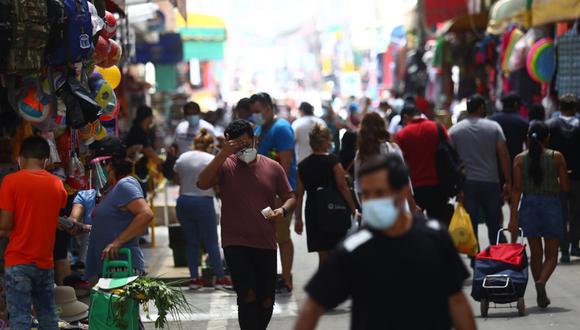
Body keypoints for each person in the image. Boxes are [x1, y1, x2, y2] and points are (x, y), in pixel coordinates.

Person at [294, 154, 475, 330]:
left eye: (380, 193)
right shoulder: (354, 249)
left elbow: (457, 301)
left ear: (403, 191)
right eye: (366, 194)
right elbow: (313, 305)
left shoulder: (435, 237)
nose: (372, 201)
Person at [197, 119, 296, 330]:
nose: (244, 150)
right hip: (235, 242)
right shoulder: (226, 164)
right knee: (247, 295)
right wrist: (223, 153)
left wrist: (283, 210)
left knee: (266, 299)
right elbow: (202, 183)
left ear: (255, 140)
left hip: (265, 242)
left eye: (246, 143)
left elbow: (290, 196)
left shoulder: (273, 167)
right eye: (237, 146)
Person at [0, 136, 68, 329]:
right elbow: (51, 216)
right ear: (46, 159)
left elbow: (5, 225)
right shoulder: (57, 184)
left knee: (20, 318)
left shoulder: (10, 181)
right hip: (44, 262)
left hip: (18, 260)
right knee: (47, 316)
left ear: (20, 158)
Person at [509, 121, 569, 308]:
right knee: (552, 254)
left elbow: (517, 190)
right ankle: (542, 282)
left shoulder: (519, 159)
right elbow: (566, 187)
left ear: (528, 137)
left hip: (529, 205)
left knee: (536, 253)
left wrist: (513, 217)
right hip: (551, 204)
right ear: (548, 138)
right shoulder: (556, 157)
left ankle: (538, 288)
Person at [85, 137, 154, 280]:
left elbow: (146, 214)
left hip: (122, 266)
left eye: (101, 164)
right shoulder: (108, 190)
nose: (98, 170)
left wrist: (118, 242)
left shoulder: (125, 185)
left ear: (111, 163)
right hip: (105, 266)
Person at [173, 129, 233, 290]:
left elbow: (177, 179)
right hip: (203, 202)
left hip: (183, 201)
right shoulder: (211, 159)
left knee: (192, 243)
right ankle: (220, 278)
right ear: (210, 145)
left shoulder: (182, 157)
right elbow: (216, 182)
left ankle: (194, 279)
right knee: (211, 242)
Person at [250, 92, 297, 294]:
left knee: (282, 236)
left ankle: (286, 278)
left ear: (269, 108)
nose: (255, 116)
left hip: (280, 193)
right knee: (265, 237)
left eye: (258, 111)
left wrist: (280, 193)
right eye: (253, 112)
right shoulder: (260, 129)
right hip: (262, 193)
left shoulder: (282, 128)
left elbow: (285, 163)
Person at [449, 95, 512, 246]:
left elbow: (449, 158)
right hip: (491, 182)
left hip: (468, 184)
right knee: (494, 222)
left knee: (471, 222)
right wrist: (508, 181)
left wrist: (455, 186)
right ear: (482, 108)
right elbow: (503, 154)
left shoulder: (455, 130)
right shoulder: (493, 127)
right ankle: (496, 254)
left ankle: (474, 258)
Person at [294, 125, 358, 267]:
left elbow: (298, 194)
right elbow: (342, 186)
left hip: (313, 211)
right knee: (337, 251)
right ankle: (337, 285)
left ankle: (325, 285)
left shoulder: (302, 166)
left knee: (322, 254)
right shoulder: (333, 161)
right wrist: (354, 209)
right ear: (324, 142)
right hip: (334, 209)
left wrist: (298, 218)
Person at [396, 104, 453, 226]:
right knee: (439, 226)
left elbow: (400, 164)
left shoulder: (402, 135)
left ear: (406, 117)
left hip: (415, 190)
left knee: (416, 229)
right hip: (438, 186)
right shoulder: (437, 128)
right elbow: (450, 154)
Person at [354, 112, 420, 213]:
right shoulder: (393, 149)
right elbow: (404, 181)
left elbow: (359, 187)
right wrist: (412, 206)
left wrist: (365, 209)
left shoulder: (361, 155)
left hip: (372, 209)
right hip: (397, 206)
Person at [546, 94, 580, 263]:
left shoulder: (550, 126)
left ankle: (564, 250)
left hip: (556, 177)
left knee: (560, 214)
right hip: (577, 177)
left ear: (559, 107)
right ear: (575, 108)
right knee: (576, 212)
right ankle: (575, 245)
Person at [125, 105, 162, 197]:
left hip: (140, 171)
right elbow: (148, 151)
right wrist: (161, 163)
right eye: (151, 117)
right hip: (136, 173)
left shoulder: (143, 131)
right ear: (147, 117)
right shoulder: (138, 131)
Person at [490, 93, 529, 163]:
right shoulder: (522, 122)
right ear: (516, 105)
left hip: (495, 164)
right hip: (515, 164)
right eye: (520, 106)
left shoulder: (492, 120)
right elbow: (528, 147)